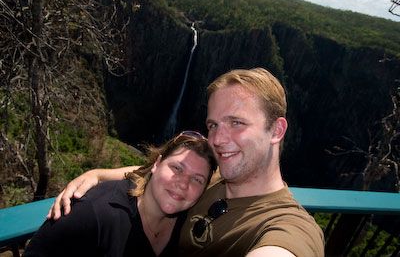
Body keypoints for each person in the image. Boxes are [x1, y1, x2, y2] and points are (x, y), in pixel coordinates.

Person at [47, 68, 325, 256]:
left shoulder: (289, 226)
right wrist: (98, 175)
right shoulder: (211, 180)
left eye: (237, 123)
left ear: (276, 130)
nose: (217, 139)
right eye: (213, 125)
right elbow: (159, 173)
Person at [23, 131, 217, 257]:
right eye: (177, 168)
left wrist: (98, 174)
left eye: (197, 179)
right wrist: (97, 175)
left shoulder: (189, 216)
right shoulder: (91, 214)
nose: (183, 184)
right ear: (156, 164)